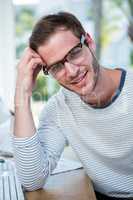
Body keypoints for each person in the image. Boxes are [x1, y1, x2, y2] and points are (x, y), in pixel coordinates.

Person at [13, 11, 133, 200]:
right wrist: (22, 94)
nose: (71, 71)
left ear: (89, 42)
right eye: (56, 66)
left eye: (74, 53)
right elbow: (32, 180)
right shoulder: (58, 109)